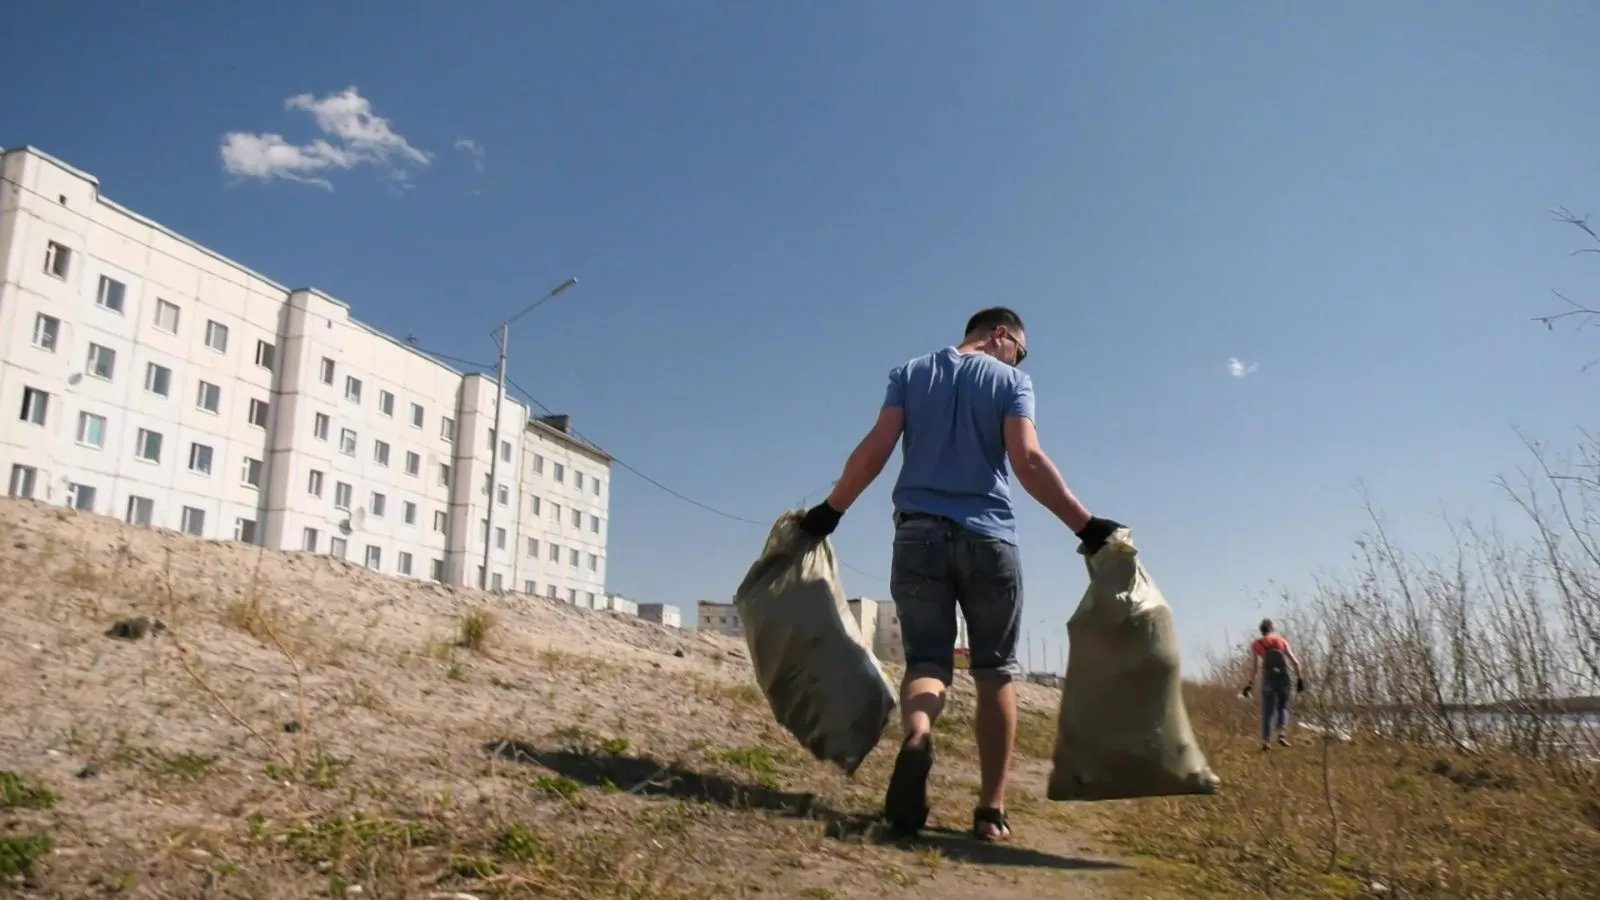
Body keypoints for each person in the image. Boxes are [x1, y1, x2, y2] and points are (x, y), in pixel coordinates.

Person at [795, 306, 1123, 843]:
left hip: (918, 537)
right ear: (1001, 336)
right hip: (988, 539)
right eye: (1018, 349)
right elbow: (1028, 460)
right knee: (995, 672)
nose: (1018, 359)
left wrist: (830, 512)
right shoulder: (1012, 382)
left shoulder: (911, 372)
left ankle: (919, 734)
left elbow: (875, 451)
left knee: (927, 661)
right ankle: (990, 811)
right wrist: (1086, 526)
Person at [1241, 618, 1306, 750]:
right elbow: (1295, 662)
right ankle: (1281, 734)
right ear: (1272, 629)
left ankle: (1266, 742)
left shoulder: (1257, 644)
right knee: (1283, 707)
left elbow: (1254, 667)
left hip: (1268, 679)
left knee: (1268, 711)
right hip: (1284, 678)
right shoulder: (1281, 641)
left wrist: (1249, 684)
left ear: (1261, 630)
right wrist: (1300, 680)